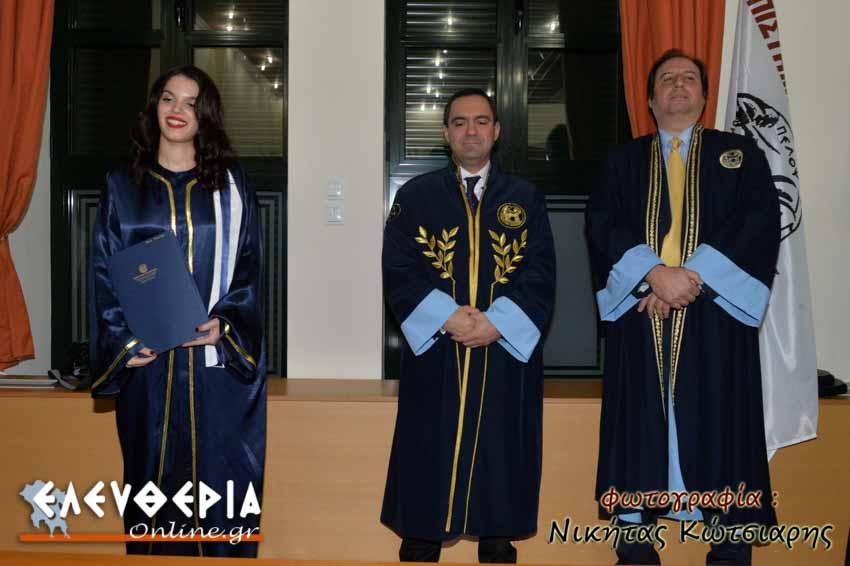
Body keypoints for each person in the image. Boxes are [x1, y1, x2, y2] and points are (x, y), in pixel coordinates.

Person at [586, 49, 780, 565]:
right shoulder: (621, 161)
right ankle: (635, 547)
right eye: (667, 79)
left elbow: (757, 224)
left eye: (689, 78)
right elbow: (603, 225)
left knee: (723, 430)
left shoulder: (740, 155)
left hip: (715, 321)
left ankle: (730, 548)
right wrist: (654, 275)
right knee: (637, 432)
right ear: (649, 100)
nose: (678, 85)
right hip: (641, 319)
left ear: (704, 96)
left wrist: (687, 279)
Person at [88, 65, 266, 557]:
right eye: (168, 98)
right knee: (151, 487)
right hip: (151, 369)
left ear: (206, 115)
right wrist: (123, 343)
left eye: (190, 102)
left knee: (222, 490)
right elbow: (104, 269)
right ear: (154, 107)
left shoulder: (231, 186)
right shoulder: (122, 185)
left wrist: (226, 325)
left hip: (215, 369)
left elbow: (249, 267)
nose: (177, 110)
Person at [380, 88, 556, 563]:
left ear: (496, 131)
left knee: (500, 462)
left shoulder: (526, 198)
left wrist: (498, 323)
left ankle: (497, 541)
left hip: (503, 355)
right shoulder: (415, 197)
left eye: (481, 121)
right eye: (460, 122)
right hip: (438, 352)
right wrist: (448, 317)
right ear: (446, 133)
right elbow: (398, 268)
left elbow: (540, 272)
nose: (471, 131)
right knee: (428, 456)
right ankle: (422, 543)